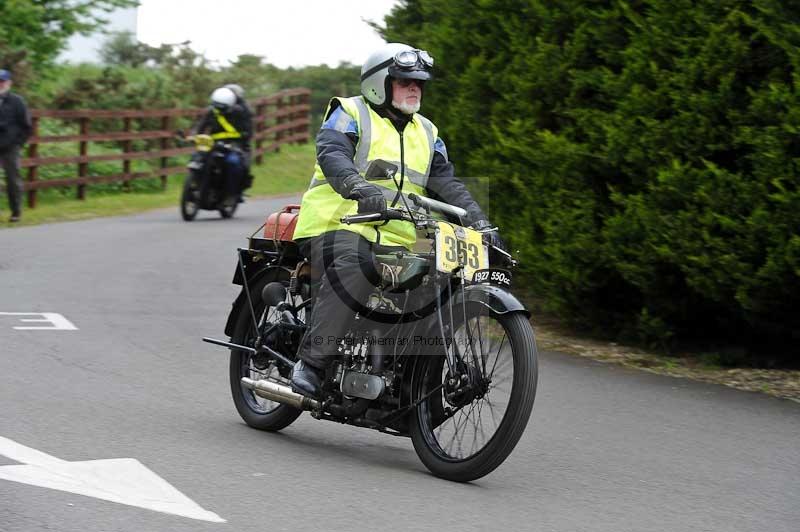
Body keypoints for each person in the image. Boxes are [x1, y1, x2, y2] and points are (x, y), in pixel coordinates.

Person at [289, 42, 504, 397]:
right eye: (405, 81)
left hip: (398, 237)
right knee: (356, 263)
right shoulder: (350, 112)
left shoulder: (428, 133)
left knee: (440, 282)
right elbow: (333, 154)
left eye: (419, 83)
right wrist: (357, 186)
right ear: (380, 82)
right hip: (337, 223)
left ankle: (413, 386)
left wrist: (480, 223)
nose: (414, 89)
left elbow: (447, 184)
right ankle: (311, 363)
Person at [193, 86, 253, 200]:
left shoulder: (240, 113)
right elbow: (201, 125)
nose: (219, 110)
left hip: (234, 145)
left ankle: (231, 193)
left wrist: (243, 139)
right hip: (214, 143)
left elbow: (248, 131)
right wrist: (196, 136)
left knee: (233, 162)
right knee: (198, 157)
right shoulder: (212, 111)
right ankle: (197, 185)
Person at [0, 69, 32, 223]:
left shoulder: (17, 101)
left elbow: (26, 126)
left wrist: (18, 144)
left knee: (13, 180)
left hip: (10, 147)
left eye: (2, 81)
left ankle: (16, 212)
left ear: (9, 83)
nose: (0, 84)